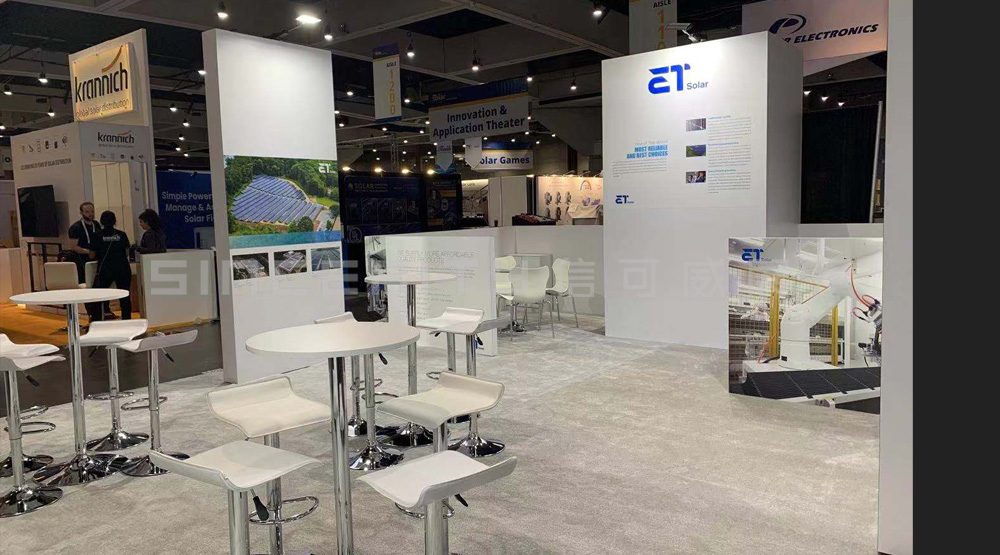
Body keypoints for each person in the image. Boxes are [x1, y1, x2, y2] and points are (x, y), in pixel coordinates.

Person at [86, 211, 132, 321]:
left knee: (98, 295)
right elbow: (126, 252)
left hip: (105, 269)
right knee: (125, 296)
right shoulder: (121, 234)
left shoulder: (96, 235)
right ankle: (127, 320)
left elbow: (91, 255)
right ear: (115, 221)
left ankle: (97, 320)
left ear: (101, 222)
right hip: (123, 268)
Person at [67, 201, 100, 283]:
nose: (90, 214)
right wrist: (88, 251)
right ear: (81, 213)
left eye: (92, 211)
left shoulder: (96, 224)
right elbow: (74, 247)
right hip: (82, 260)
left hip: (96, 258)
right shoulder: (75, 228)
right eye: (87, 212)